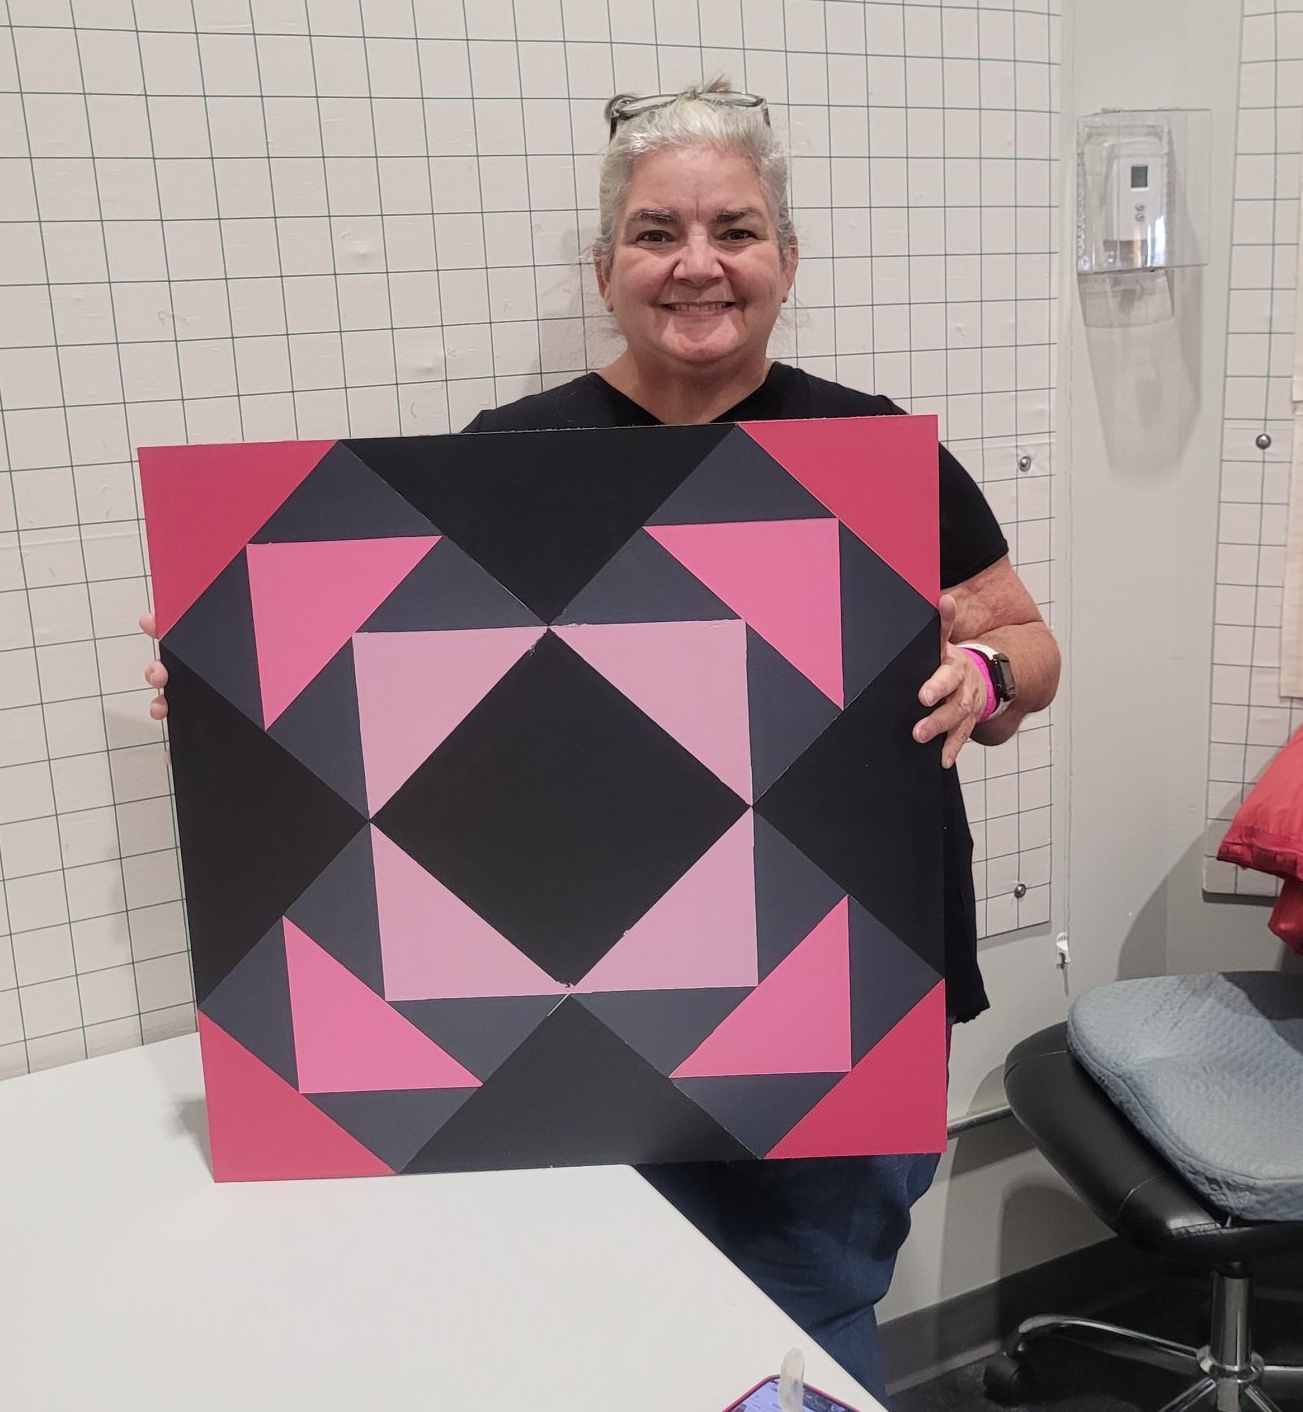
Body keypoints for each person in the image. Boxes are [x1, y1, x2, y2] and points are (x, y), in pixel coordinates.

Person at [142, 80, 1060, 1402]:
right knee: (606, 1321)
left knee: (814, 1313)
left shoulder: (871, 449)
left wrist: (984, 670)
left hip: (836, 980)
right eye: (656, 233)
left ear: (788, 258)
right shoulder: (509, 456)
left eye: (735, 230)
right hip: (571, 996)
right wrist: (239, 693)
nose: (698, 263)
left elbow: (1029, 645)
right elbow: (410, 713)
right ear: (604, 268)